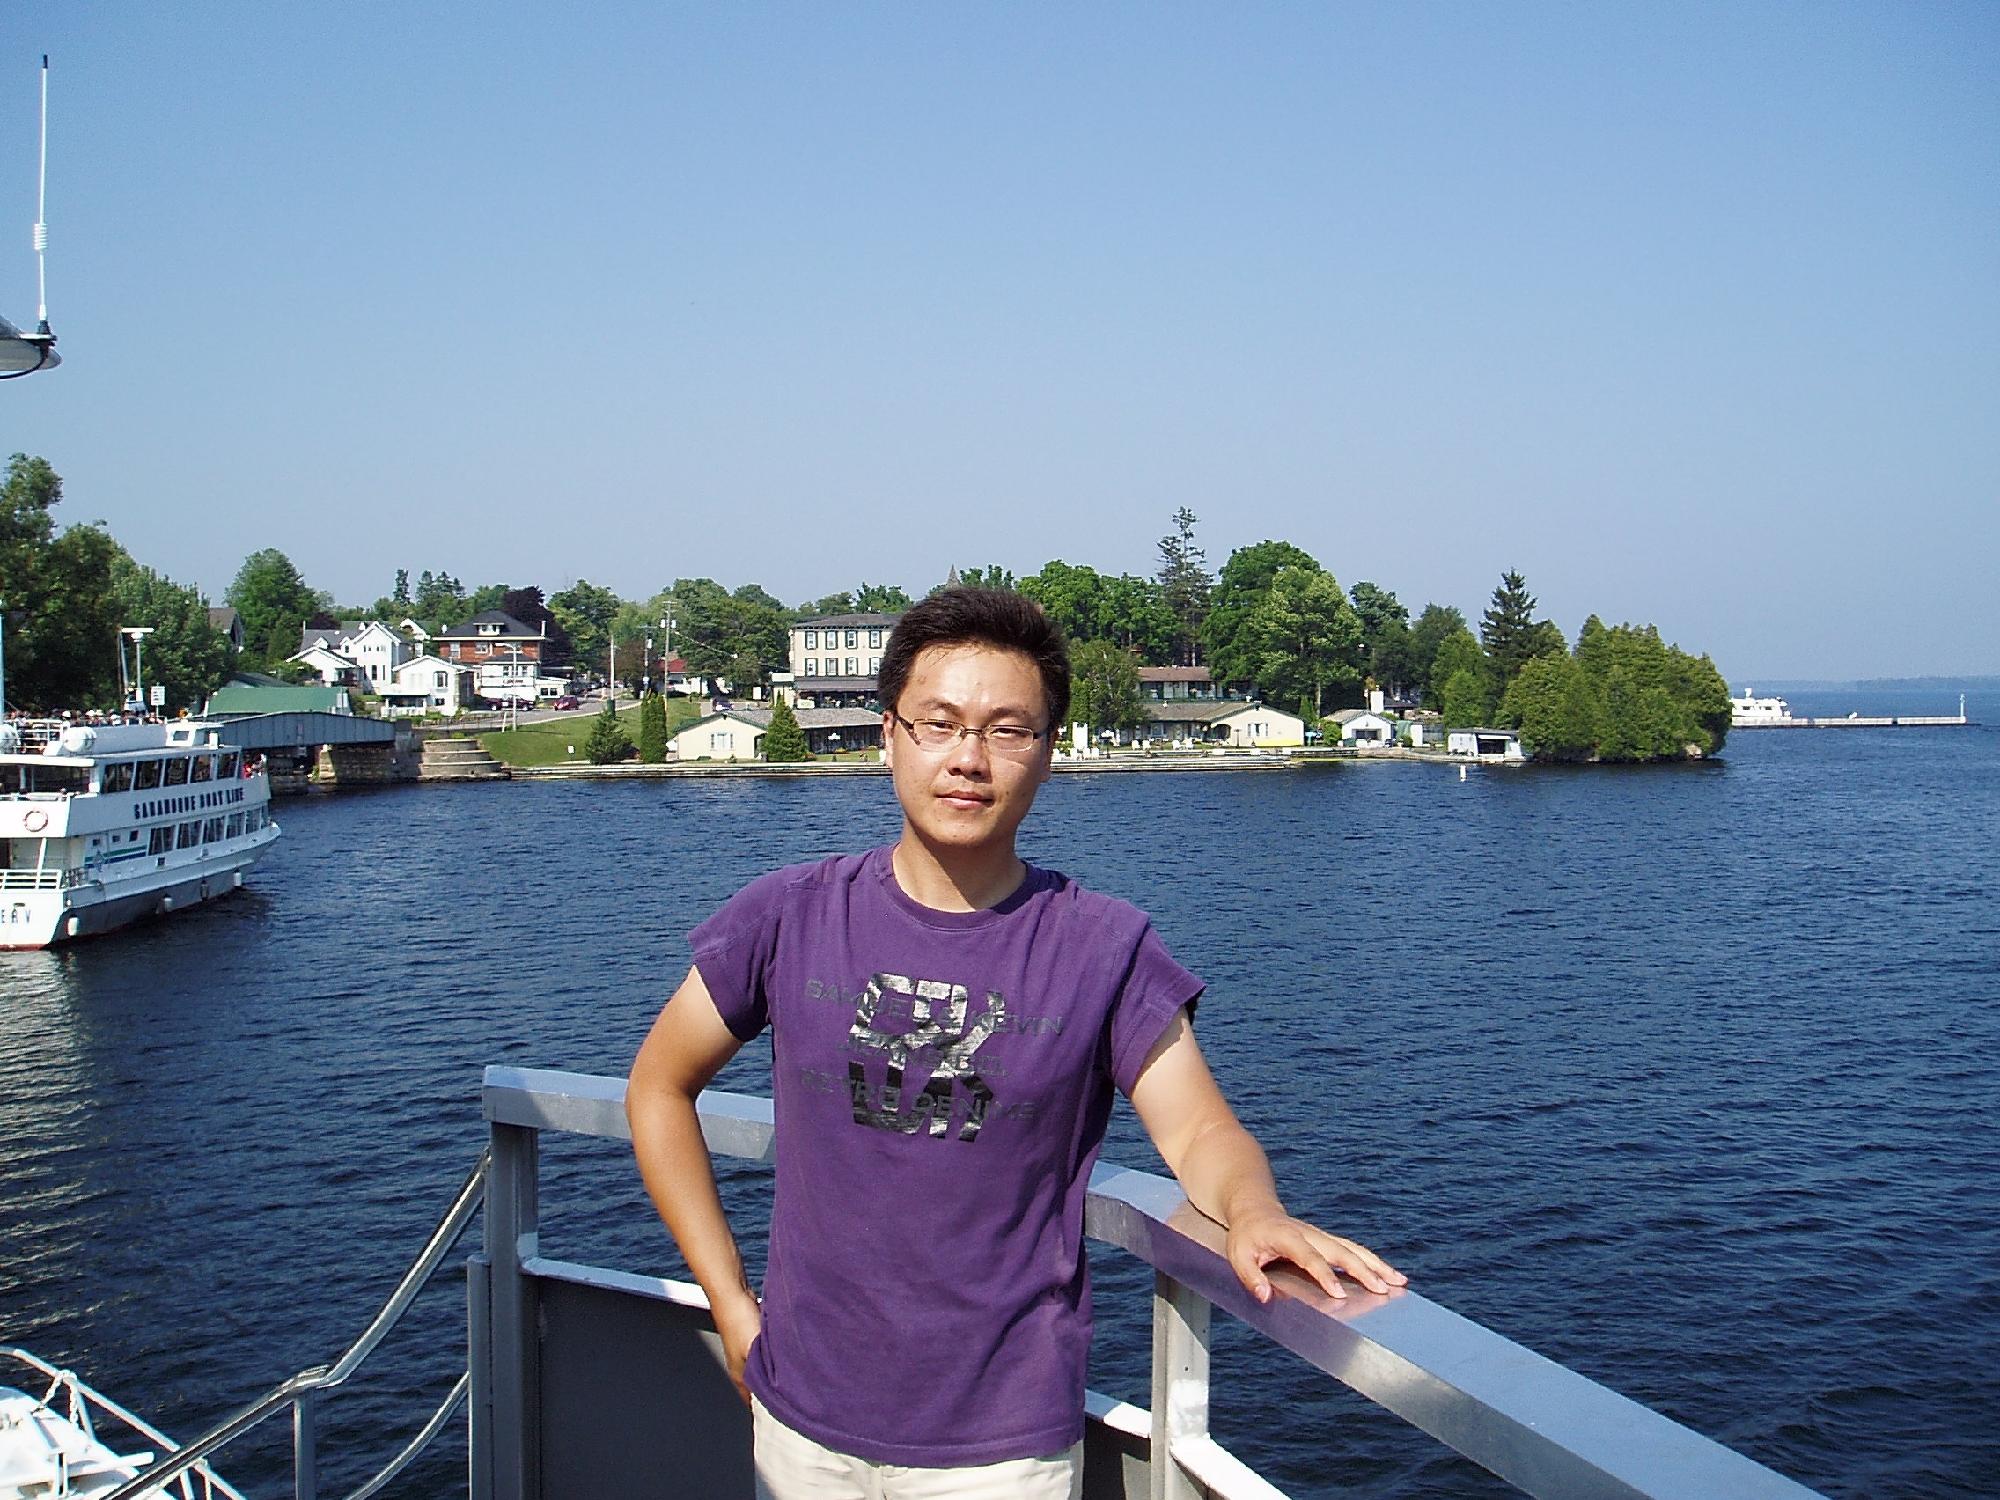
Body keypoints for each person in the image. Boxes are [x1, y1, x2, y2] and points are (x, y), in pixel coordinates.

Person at [627, 586, 1403, 1500]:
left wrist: (1256, 1212)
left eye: (1007, 730)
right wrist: (729, 1300)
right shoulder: (788, 916)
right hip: (800, 1419)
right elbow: (659, 1086)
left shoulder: (1101, 947)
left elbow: (1200, 1132)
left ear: (1048, 752)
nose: (968, 758)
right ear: (889, 735)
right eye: (939, 724)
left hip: (1003, 1450)